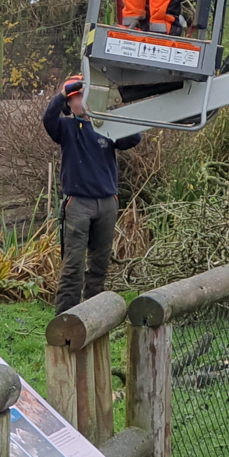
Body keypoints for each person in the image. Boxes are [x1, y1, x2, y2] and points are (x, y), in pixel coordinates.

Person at [42, 74, 140, 314]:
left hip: (107, 203)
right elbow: (48, 119)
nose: (81, 100)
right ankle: (65, 318)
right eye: (76, 97)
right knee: (73, 266)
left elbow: (134, 137)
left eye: (85, 95)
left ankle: (93, 316)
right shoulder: (65, 128)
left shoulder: (105, 126)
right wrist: (62, 93)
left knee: (99, 265)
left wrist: (112, 112)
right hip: (78, 204)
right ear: (69, 104)